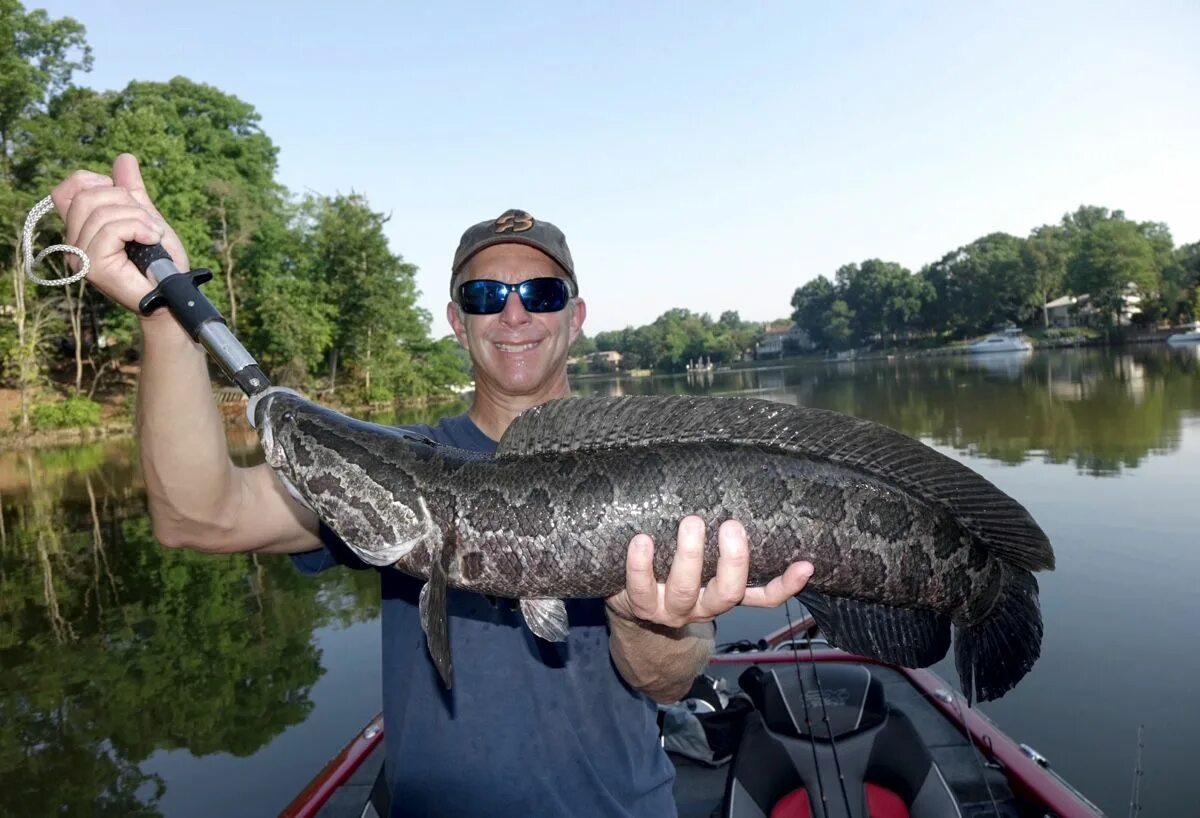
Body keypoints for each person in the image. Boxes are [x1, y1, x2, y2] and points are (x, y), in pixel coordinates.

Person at [51, 154, 814, 817]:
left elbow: (668, 684)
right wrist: (162, 312)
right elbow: (199, 515)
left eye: (540, 295)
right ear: (456, 320)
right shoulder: (401, 469)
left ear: (576, 317)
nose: (513, 314)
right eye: (486, 297)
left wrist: (651, 620)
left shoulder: (651, 472)